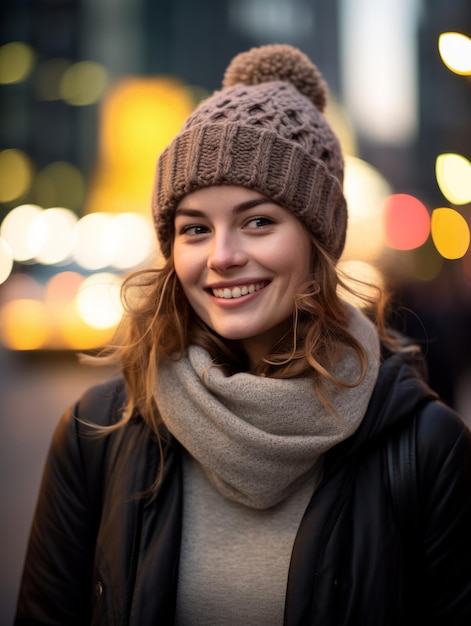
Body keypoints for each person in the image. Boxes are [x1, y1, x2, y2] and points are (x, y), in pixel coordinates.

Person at [14, 44, 471, 626]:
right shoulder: (95, 438)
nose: (223, 257)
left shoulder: (426, 449)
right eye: (195, 228)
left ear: (318, 240)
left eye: (258, 221)